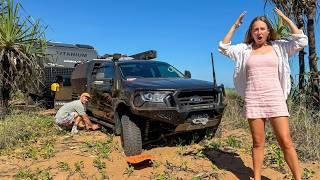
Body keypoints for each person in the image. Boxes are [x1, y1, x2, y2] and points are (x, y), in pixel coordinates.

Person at [218, 8, 308, 180]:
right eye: (255, 29)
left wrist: (285, 18)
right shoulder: (244, 50)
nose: (259, 32)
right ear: (251, 33)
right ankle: (257, 177)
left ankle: (298, 178)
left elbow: (302, 40)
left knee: (286, 141)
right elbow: (223, 47)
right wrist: (235, 26)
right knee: (258, 143)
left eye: (262, 28)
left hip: (275, 97)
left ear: (268, 31)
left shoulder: (279, 47)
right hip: (253, 99)